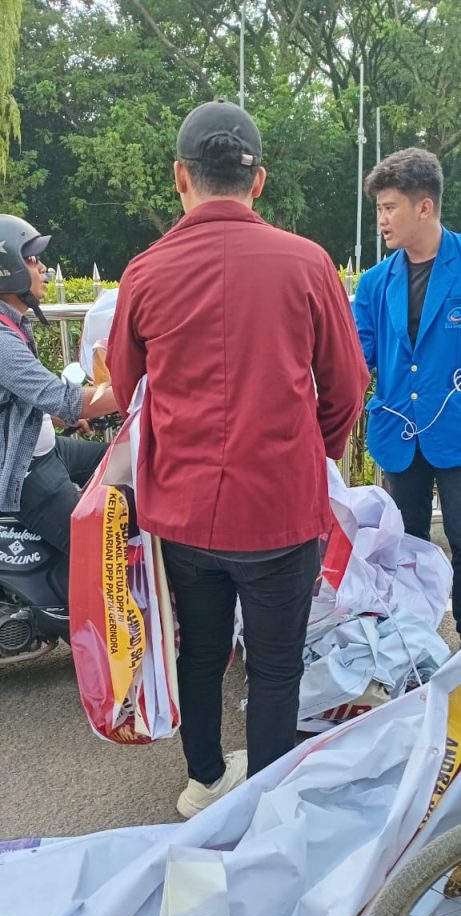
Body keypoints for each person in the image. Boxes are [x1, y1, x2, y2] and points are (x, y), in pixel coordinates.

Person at [107, 100, 369, 817]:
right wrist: (311, 453)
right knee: (276, 666)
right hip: (280, 509)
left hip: (184, 513)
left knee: (200, 651)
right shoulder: (308, 262)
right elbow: (347, 386)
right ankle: (266, 809)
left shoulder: (144, 271)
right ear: (258, 181)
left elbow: (128, 389)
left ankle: (204, 780)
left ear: (179, 176)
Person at [354, 148, 461, 642]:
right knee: (407, 542)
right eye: (378, 208)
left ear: (424, 207)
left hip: (455, 430)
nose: (381, 219)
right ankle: (413, 642)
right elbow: (357, 358)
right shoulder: (375, 283)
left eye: (389, 207)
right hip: (399, 431)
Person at [0, 213, 119, 558]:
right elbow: (66, 399)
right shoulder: (2, 340)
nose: (43, 268)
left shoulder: (14, 323)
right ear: (9, 269)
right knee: (101, 553)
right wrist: (143, 387)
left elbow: (22, 402)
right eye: (32, 259)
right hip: (24, 470)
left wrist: (56, 418)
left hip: (43, 449)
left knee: (123, 465)